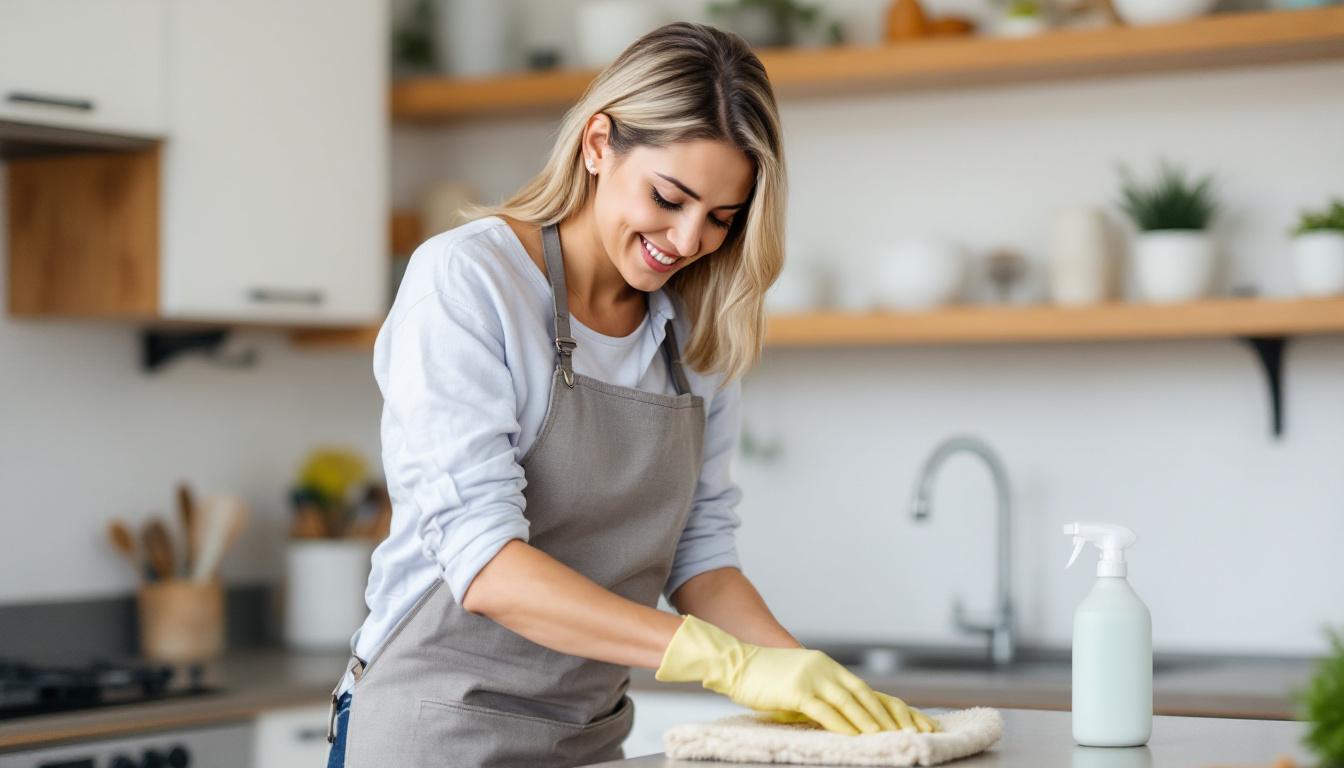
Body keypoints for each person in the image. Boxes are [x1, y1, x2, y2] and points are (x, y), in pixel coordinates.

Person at [325, 21, 937, 768]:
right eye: (669, 198)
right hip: (434, 733)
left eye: (720, 218)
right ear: (598, 144)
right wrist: (728, 662)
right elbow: (486, 566)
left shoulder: (696, 326)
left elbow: (699, 555)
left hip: (589, 737)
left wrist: (805, 677)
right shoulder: (470, 280)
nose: (687, 240)